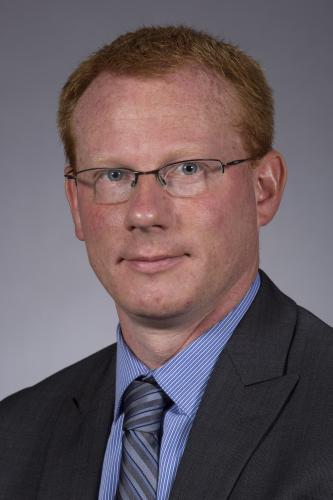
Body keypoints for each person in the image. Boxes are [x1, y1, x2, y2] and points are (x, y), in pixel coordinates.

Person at [0, 25, 332, 500]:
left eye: (188, 169)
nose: (145, 213)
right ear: (76, 205)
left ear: (265, 189)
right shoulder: (14, 436)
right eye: (113, 175)